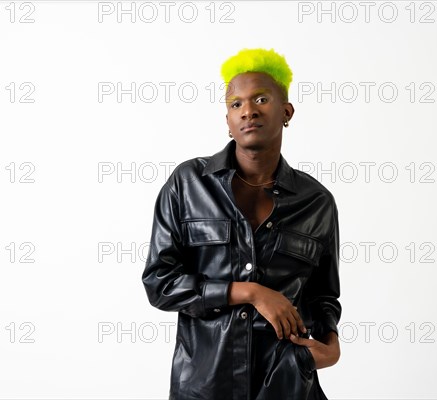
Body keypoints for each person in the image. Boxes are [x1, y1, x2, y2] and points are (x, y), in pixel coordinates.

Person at [142, 48, 341, 400]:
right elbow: (160, 283)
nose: (248, 110)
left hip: (288, 383)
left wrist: (331, 345)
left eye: (261, 99)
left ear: (287, 112)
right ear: (228, 120)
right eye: (236, 104)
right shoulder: (188, 184)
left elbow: (323, 295)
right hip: (205, 385)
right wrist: (250, 292)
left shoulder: (316, 202)